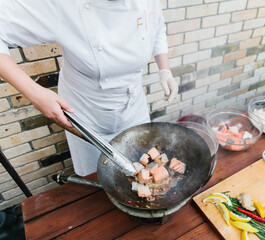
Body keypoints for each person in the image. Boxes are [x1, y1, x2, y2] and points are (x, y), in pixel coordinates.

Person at [0, 0, 178, 176]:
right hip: (87, 114)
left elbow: (156, 26)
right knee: (98, 176)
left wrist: (165, 70)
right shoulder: (61, 4)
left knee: (145, 167)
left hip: (133, 105)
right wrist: (35, 93)